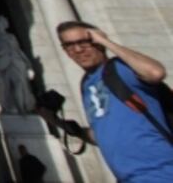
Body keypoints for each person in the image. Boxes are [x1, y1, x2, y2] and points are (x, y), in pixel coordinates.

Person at [56, 20, 173, 182]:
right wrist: (55, 121)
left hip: (162, 171)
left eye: (84, 42)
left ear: (96, 40)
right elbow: (102, 135)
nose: (77, 50)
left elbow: (155, 72)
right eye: (69, 45)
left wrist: (106, 41)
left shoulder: (121, 68)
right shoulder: (86, 85)